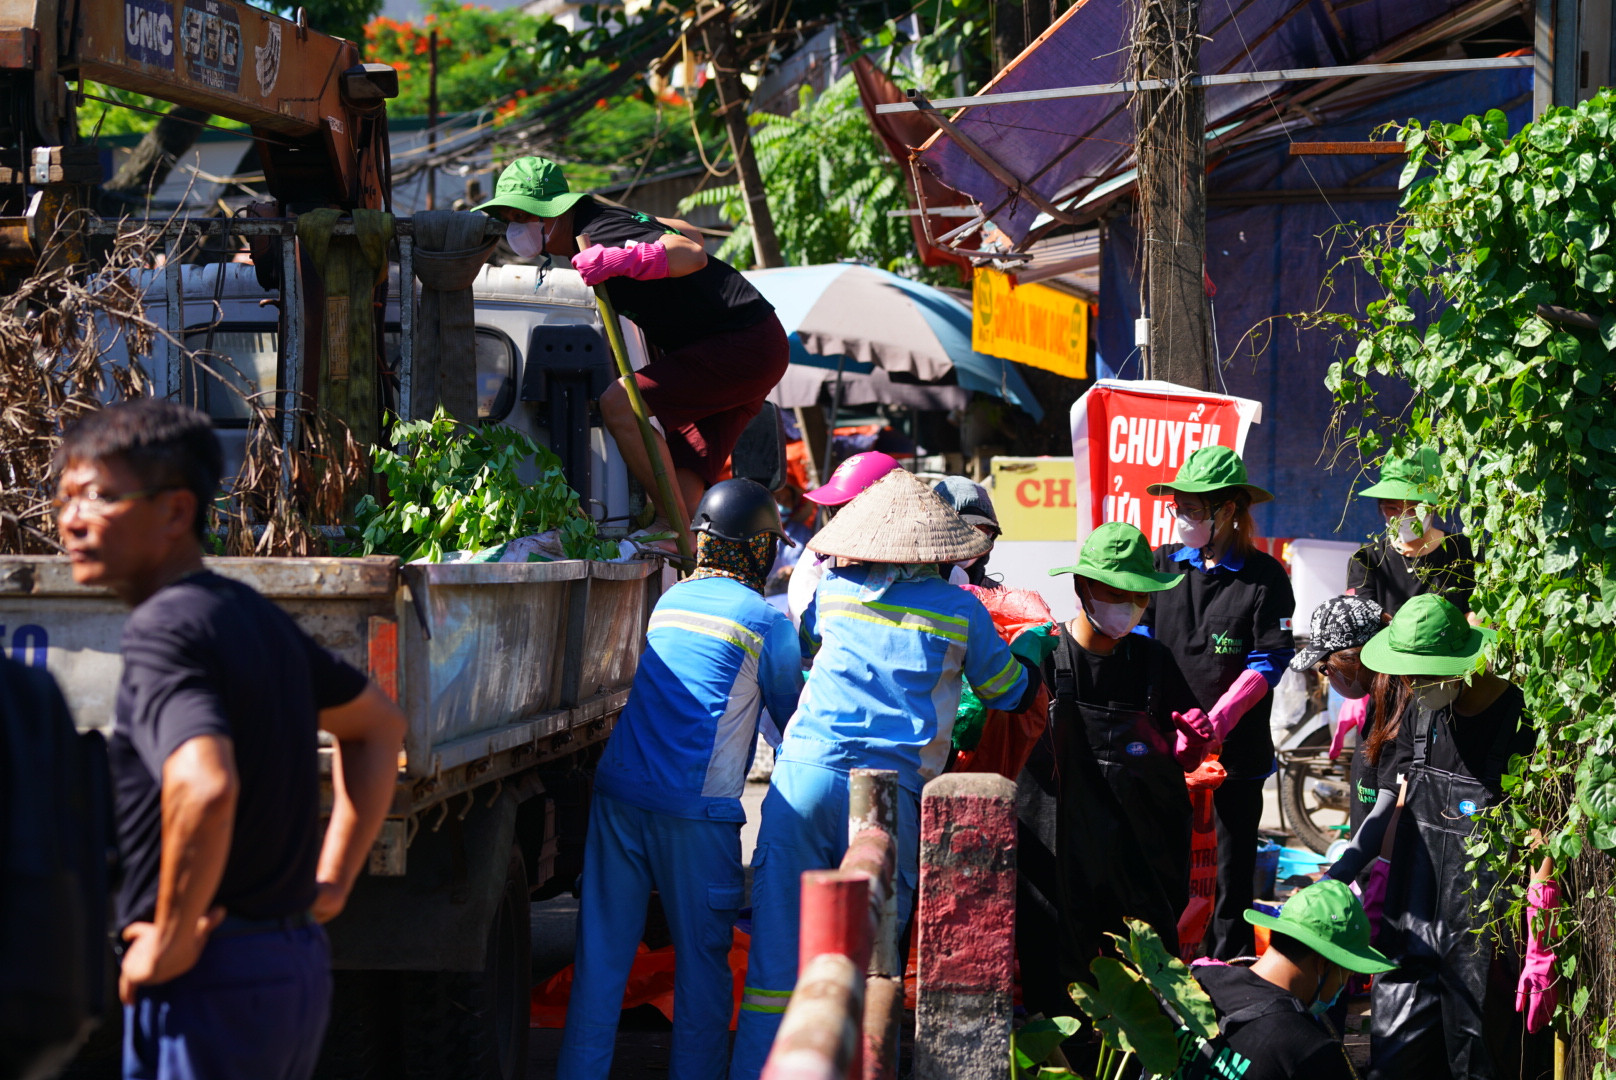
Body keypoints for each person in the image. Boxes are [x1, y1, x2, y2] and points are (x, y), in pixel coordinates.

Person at [54, 400, 406, 1080]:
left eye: (98, 497)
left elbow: (205, 785)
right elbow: (378, 727)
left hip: (211, 976)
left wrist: (174, 938)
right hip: (286, 963)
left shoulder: (165, 630)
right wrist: (333, 880)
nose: (71, 519)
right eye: (65, 497)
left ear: (176, 512)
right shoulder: (245, 613)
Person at [731, 469, 1041, 1080]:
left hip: (802, 777)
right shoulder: (961, 609)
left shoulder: (835, 588)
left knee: (773, 967)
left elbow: (813, 641)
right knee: (870, 964)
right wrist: (1031, 654)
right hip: (886, 798)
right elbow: (1007, 694)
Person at [558, 479, 803, 1080]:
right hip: (695, 815)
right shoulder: (767, 624)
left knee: (600, 963)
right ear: (759, 549)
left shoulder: (670, 602)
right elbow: (793, 716)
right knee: (702, 971)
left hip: (618, 794)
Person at [475, 157, 789, 546]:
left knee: (621, 404)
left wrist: (621, 259)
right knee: (686, 457)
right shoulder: (603, 218)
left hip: (743, 343)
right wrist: (645, 230)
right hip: (750, 345)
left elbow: (692, 252)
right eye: (509, 218)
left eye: (521, 215)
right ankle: (680, 539)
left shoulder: (598, 228)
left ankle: (672, 526)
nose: (516, 227)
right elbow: (689, 230)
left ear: (551, 211)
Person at [1358, 594, 1544, 1080]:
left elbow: (1543, 835)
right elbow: (1399, 802)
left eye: (1422, 676)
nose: (1412, 686)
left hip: (1481, 941)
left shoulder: (1521, 721)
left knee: (1479, 1062)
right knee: (1395, 1058)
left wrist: (1541, 929)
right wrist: (1375, 878)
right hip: (1411, 924)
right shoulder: (1424, 710)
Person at [1027, 523, 1207, 1017]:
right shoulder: (1045, 656)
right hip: (1062, 859)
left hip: (1140, 861)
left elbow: (1185, 750)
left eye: (1140, 596)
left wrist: (1191, 747)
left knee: (1148, 995)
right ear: (1082, 586)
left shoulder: (1154, 662)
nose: (1128, 605)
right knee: (1065, 994)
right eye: (1115, 591)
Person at [1141, 445, 1296, 960]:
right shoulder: (1160, 565)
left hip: (1236, 756)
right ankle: (1165, 969)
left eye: (1194, 507)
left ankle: (1228, 969)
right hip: (1164, 750)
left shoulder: (1266, 578)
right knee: (1166, 866)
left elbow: (1269, 659)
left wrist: (1219, 719)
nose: (1182, 517)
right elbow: (1138, 640)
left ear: (1229, 510)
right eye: (1179, 506)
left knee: (1230, 876)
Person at [1174, 879, 1395, 1080]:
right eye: (1347, 974)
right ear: (1324, 963)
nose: (1342, 987)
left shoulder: (1193, 981)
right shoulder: (1309, 1050)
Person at [1290, 597, 1396, 910]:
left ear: (1355, 659)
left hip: (1388, 883)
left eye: (1326, 668)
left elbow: (1390, 800)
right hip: (1368, 873)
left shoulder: (1403, 708)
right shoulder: (1377, 701)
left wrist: (1339, 873)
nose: (1326, 676)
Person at [1348, 447, 1476, 615]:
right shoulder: (1365, 560)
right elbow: (1363, 618)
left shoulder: (1464, 550)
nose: (1403, 518)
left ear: (1434, 507)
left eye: (1414, 509)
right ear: (1381, 507)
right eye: (1393, 508)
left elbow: (1477, 613)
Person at [784, 451, 901, 625]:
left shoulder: (927, 563)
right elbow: (804, 619)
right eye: (835, 510)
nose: (839, 518)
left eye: (847, 508)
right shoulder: (820, 552)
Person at [932, 475, 1001, 587]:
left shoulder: (995, 596)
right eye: (962, 529)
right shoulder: (908, 589)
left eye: (982, 531)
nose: (972, 540)